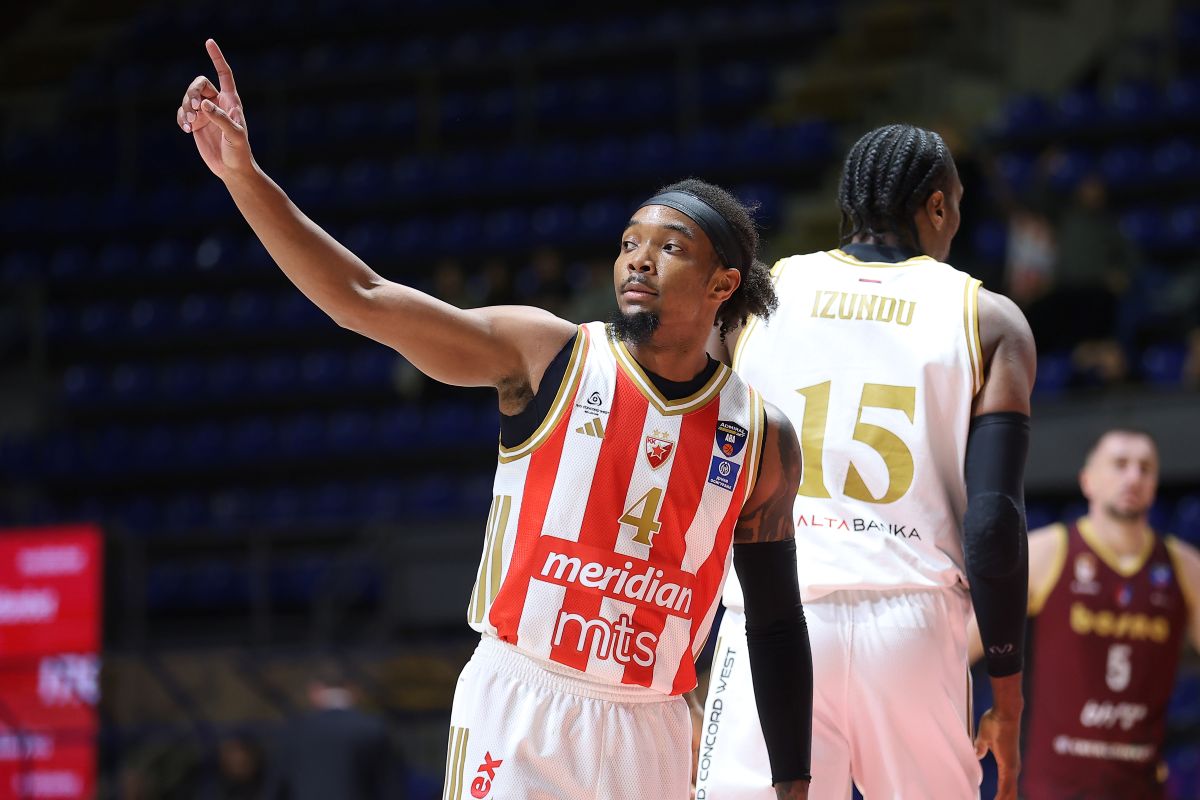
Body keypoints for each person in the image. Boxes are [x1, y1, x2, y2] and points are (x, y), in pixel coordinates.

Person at [177, 39, 813, 800]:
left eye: (669, 248)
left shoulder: (761, 436)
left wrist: (793, 781)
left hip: (652, 725)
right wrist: (243, 177)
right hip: (523, 700)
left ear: (723, 284)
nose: (638, 260)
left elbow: (775, 622)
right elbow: (363, 299)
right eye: (628, 243)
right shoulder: (548, 354)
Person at [696, 123, 1036, 800]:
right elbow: (993, 525)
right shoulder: (989, 319)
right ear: (937, 207)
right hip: (912, 621)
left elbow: (700, 463)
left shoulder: (755, 298)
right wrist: (1008, 692)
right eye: (955, 206)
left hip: (771, 612)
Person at [968, 428, 1200, 800]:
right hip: (1050, 787)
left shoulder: (1184, 568)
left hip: (1142, 788)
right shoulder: (1047, 552)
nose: (1133, 476)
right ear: (1088, 480)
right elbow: (960, 647)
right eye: (1120, 464)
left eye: (1145, 468)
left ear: (1155, 484)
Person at [263, 667, 400, 799]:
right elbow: (391, 785)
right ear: (353, 690)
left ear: (315, 691)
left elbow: (277, 786)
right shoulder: (373, 728)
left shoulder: (295, 730)